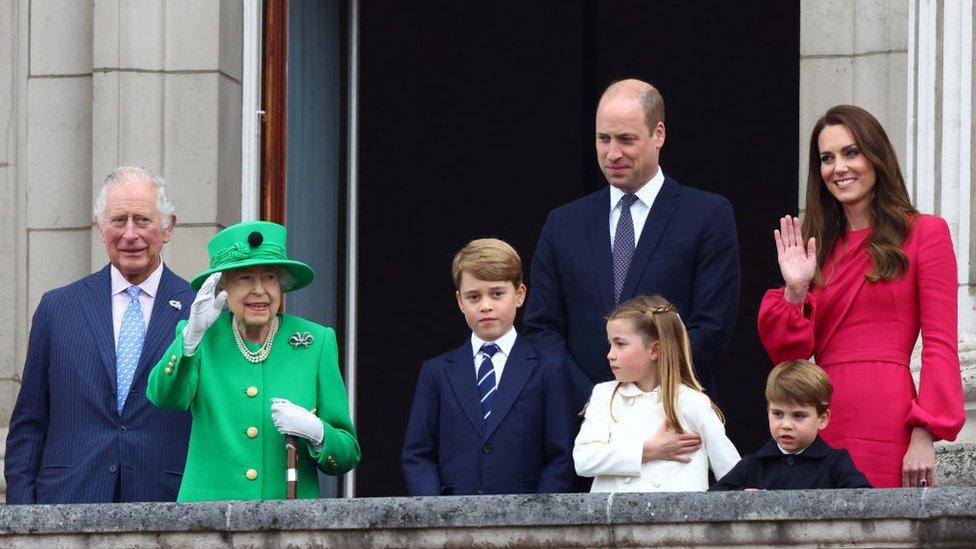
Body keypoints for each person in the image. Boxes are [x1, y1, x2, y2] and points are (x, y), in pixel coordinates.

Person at [758, 105, 965, 488]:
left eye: (851, 152)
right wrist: (795, 290)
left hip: (889, 417)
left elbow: (940, 344)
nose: (839, 167)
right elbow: (789, 358)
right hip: (823, 418)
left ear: (876, 156)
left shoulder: (926, 233)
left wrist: (924, 433)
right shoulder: (813, 251)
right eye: (827, 158)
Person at [524, 78, 740, 416]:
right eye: (603, 139)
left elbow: (712, 326)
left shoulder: (707, 216)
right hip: (582, 425)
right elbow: (542, 328)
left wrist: (646, 396)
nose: (613, 154)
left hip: (673, 418)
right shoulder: (563, 224)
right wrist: (596, 399)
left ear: (659, 134)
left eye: (626, 140)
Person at [5, 167, 193, 504]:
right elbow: (29, 423)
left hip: (169, 507)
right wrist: (22, 516)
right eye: (119, 220)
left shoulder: (200, 312)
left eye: (143, 220)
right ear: (99, 228)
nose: (130, 234)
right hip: (67, 504)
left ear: (168, 228)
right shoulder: (57, 308)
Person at [146, 221, 360, 501]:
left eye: (269, 277)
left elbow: (347, 454)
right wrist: (190, 338)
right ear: (223, 286)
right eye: (245, 277)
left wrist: (317, 432)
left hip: (288, 524)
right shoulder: (201, 336)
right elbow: (164, 397)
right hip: (209, 520)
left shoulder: (315, 342)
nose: (259, 290)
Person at [401, 238, 577, 495]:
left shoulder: (549, 367)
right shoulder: (436, 372)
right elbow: (418, 454)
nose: (485, 305)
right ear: (460, 301)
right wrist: (435, 514)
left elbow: (560, 456)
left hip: (526, 521)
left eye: (497, 293)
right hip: (450, 521)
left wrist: (539, 521)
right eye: (474, 297)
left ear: (519, 294)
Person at [574, 295, 739, 492]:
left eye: (620, 344)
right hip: (613, 521)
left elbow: (731, 472)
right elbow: (583, 460)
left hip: (675, 521)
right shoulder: (604, 395)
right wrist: (649, 450)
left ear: (654, 350)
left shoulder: (692, 402)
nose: (610, 354)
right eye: (610, 344)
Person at [710, 360, 871, 490]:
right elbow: (709, 502)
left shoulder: (835, 464)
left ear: (822, 418)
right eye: (777, 414)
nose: (786, 425)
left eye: (798, 416)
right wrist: (740, 498)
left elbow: (865, 501)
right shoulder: (753, 465)